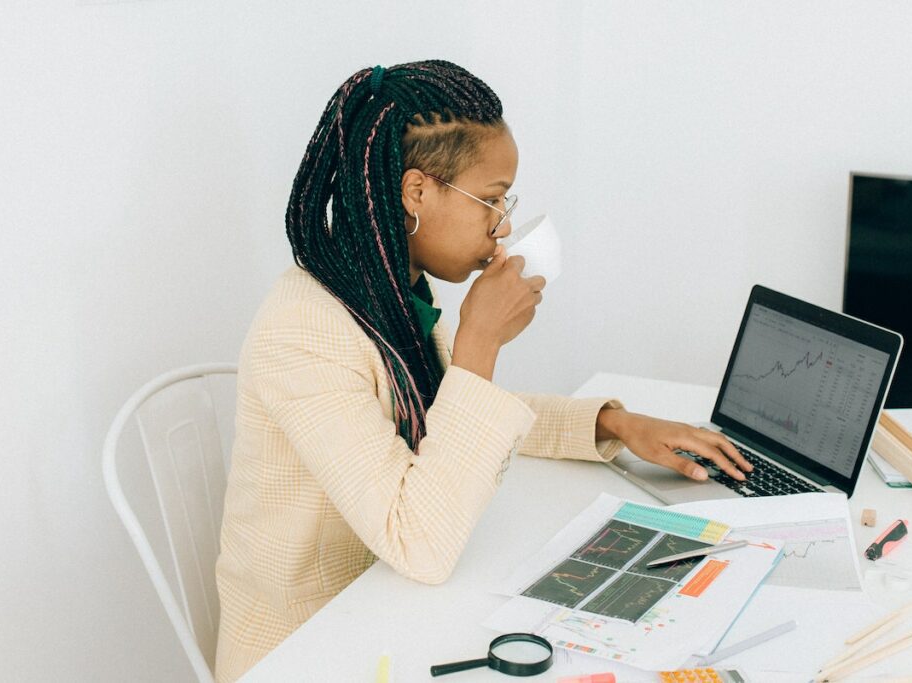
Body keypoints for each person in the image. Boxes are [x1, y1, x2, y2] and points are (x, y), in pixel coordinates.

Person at [214, 60, 751, 681]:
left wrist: (615, 424)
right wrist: (479, 343)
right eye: (491, 200)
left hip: (386, 609)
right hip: (309, 648)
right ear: (417, 192)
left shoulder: (388, 287)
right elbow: (419, 542)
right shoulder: (304, 330)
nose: (503, 226)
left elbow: (444, 411)